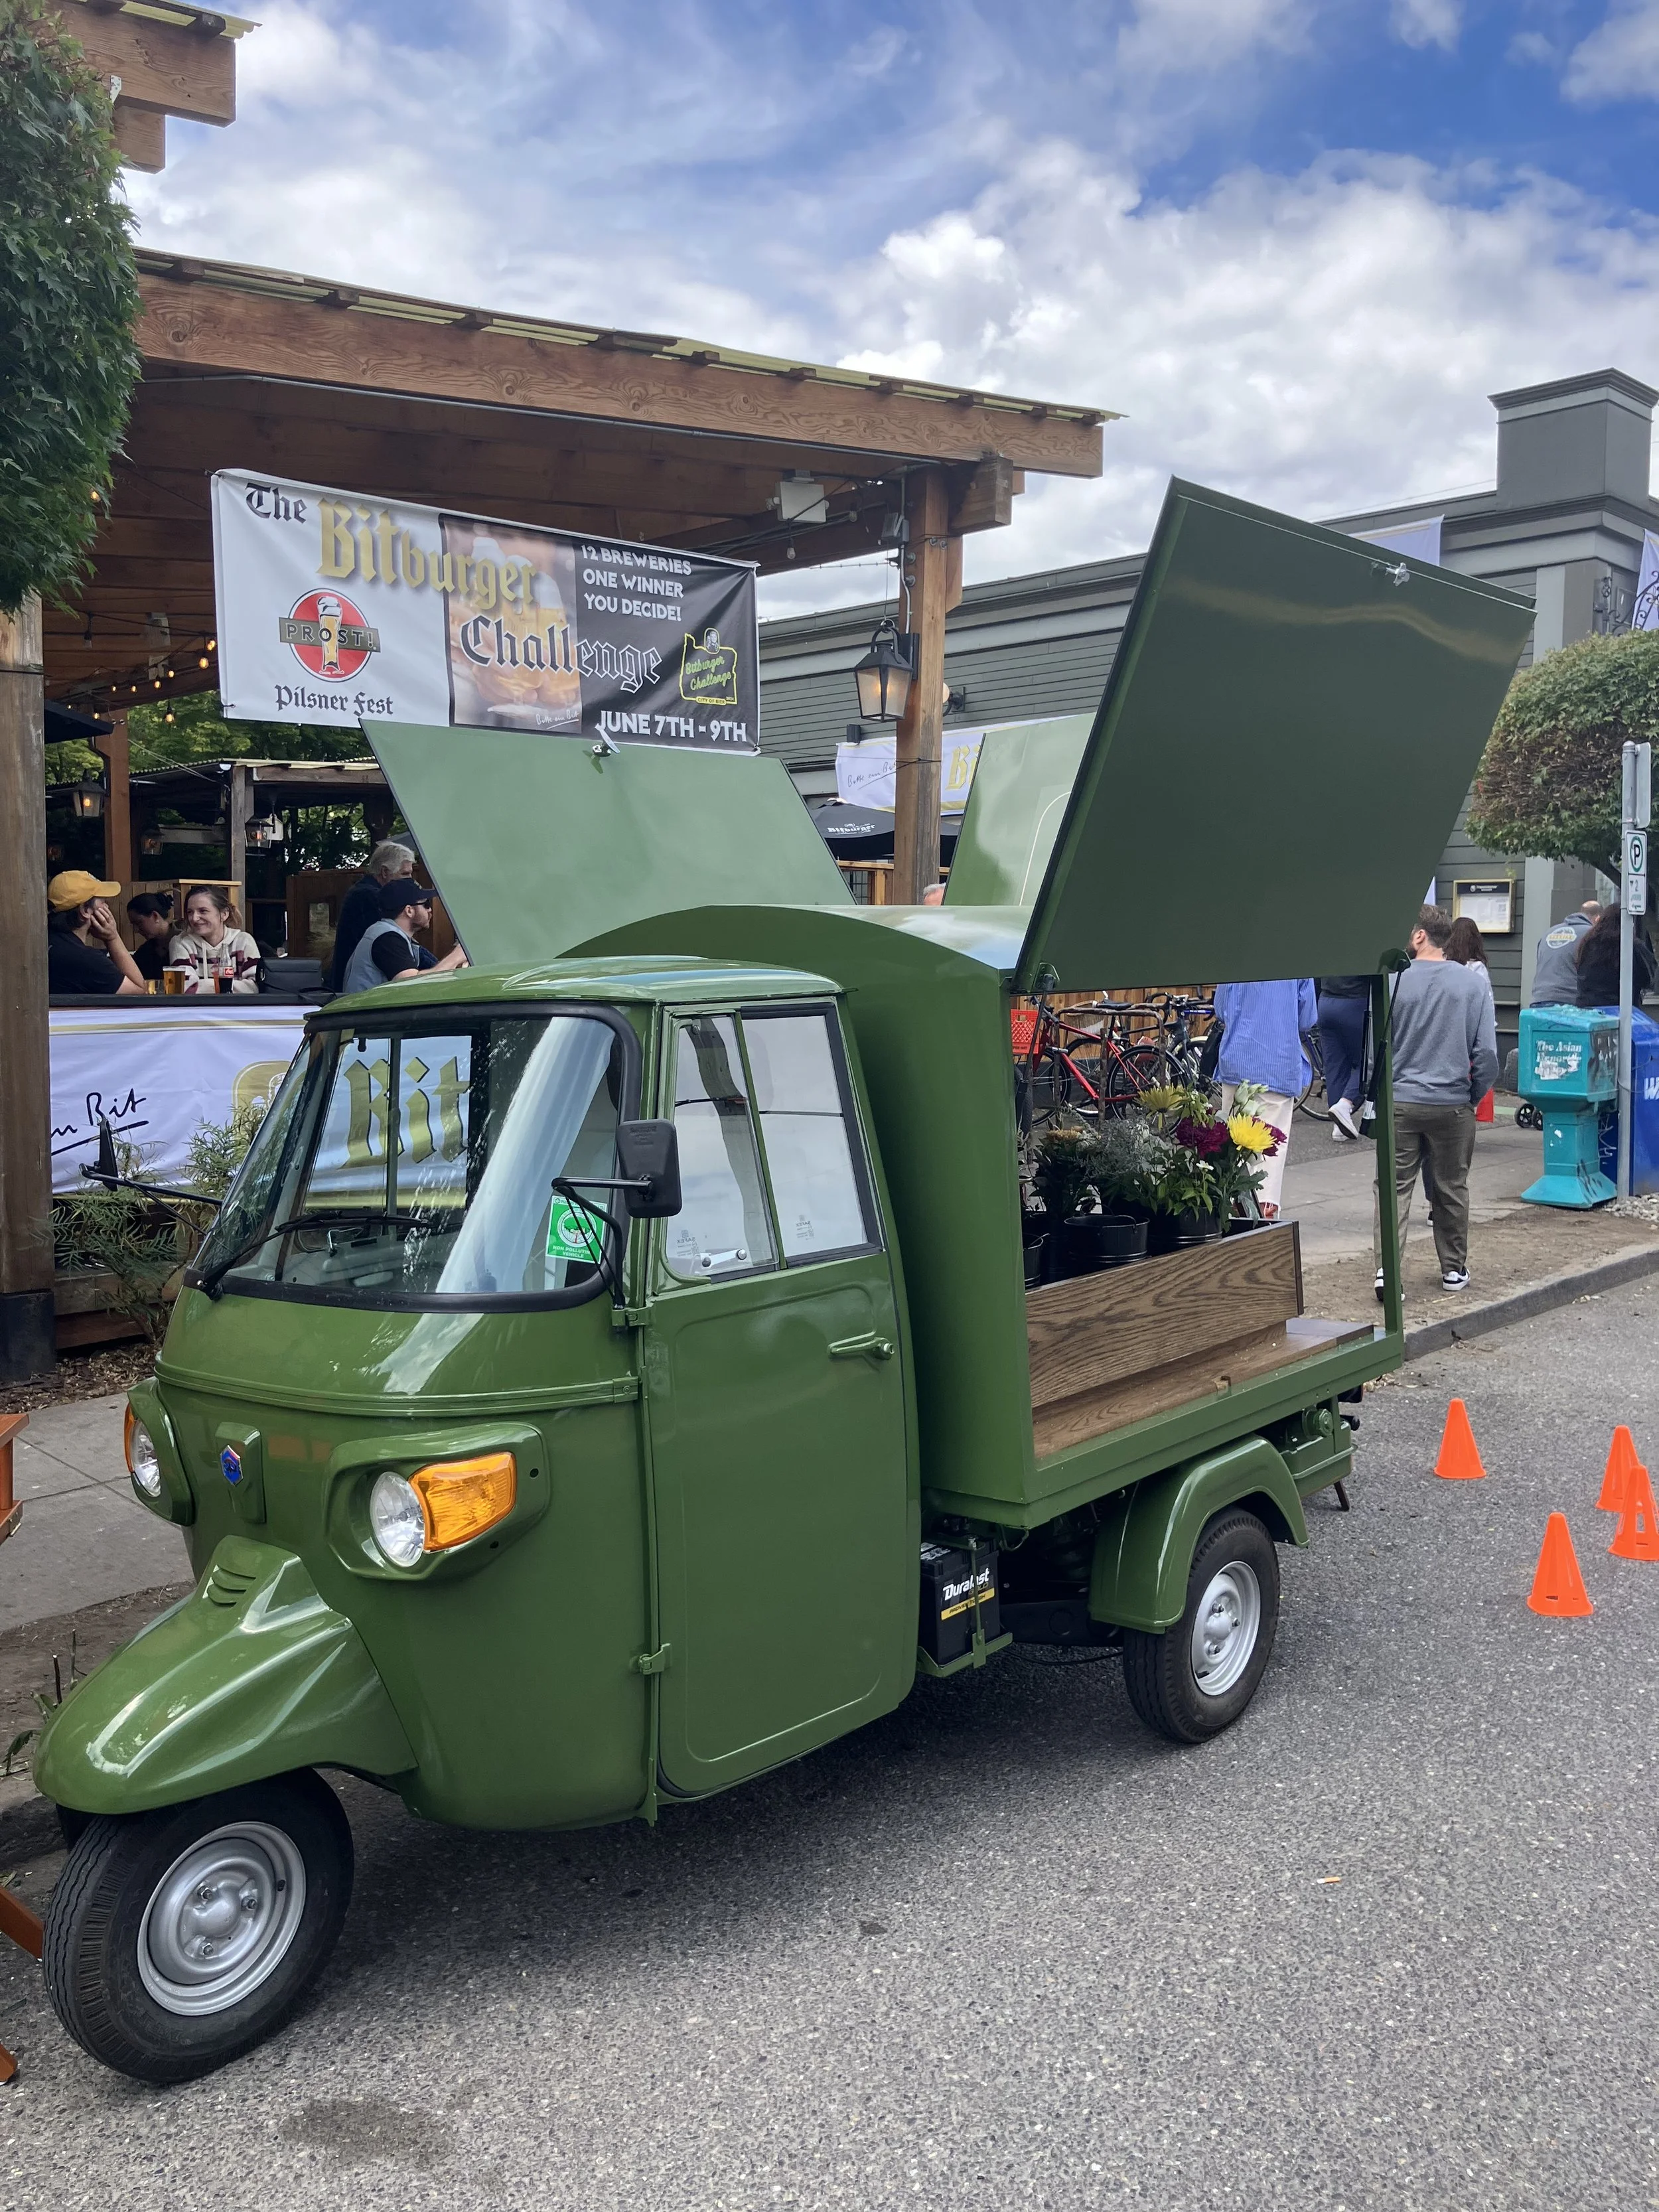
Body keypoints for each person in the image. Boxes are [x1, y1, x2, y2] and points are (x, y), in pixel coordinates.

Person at [1374, 905, 1498, 1298]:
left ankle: (1387, 1274)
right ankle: (1453, 1269)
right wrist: (1471, 1095)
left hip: (1401, 1101)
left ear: (1420, 936)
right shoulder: (1473, 984)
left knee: (1393, 1189)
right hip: (1453, 1103)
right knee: (1451, 1187)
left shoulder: (1391, 982)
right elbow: (1488, 1056)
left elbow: (1377, 1047)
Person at [1211, 977, 1318, 1219]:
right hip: (1278, 1061)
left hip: (1238, 1059)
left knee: (1235, 1147)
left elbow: (1221, 1008)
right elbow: (1307, 1018)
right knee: (1271, 1150)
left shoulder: (1236, 950)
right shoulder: (1299, 959)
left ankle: (1234, 1213)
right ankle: (1265, 1216)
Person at [339, 880, 469, 995]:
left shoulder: (388, 934)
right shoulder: (387, 938)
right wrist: (457, 955)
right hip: (368, 1019)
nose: (430, 910)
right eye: (426, 904)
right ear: (409, 911)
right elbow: (411, 985)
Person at [329, 840, 417, 991]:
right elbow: (393, 942)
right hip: (357, 993)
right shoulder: (371, 897)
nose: (410, 880)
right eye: (405, 874)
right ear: (384, 872)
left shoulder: (364, 893)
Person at [45, 871, 148, 995]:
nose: (107, 907)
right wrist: (113, 938)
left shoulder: (43, 944)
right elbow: (138, 992)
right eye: (103, 901)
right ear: (85, 910)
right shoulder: (86, 959)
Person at [167, 885, 261, 994]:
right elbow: (185, 988)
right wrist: (228, 986)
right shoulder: (180, 942)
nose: (194, 918)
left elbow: (256, 987)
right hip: (198, 1010)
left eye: (203, 911)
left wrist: (204, 985)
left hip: (238, 1010)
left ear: (224, 914)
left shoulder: (244, 941)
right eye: (190, 912)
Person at [1315, 974, 1369, 1142]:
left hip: (1326, 1002)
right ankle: (1347, 1104)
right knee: (1367, 1060)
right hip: (1356, 1002)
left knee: (1335, 1067)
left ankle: (1339, 1126)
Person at [1573, 903, 1656, 1009]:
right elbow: (1648, 977)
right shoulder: (1631, 945)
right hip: (1619, 1007)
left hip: (1587, 1007)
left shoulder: (1588, 942)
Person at [1529, 900, 1600, 1006]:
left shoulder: (1549, 932)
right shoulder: (1591, 934)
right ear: (1598, 918)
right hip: (1568, 1002)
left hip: (1539, 999)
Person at [125, 891, 174, 984]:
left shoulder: (185, 942)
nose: (136, 930)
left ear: (155, 916)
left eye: (139, 923)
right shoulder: (144, 952)